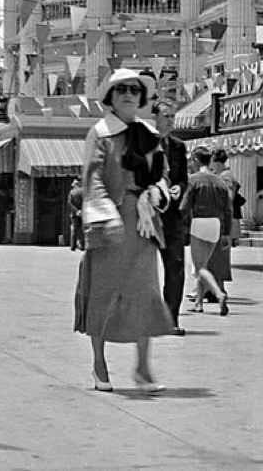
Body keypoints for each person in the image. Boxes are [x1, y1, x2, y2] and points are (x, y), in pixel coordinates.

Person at [74, 69, 173, 394]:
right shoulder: (99, 133)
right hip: (109, 226)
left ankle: (143, 368)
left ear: (141, 97)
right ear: (111, 98)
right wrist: (105, 216)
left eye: (134, 89)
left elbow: (161, 175)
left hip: (142, 224)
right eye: (121, 90)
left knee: (145, 293)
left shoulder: (148, 133)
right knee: (103, 295)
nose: (128, 94)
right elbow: (93, 176)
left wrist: (158, 191)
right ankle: (99, 363)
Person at [180, 147, 231, 316]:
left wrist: (179, 222)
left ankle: (218, 293)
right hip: (216, 224)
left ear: (195, 160)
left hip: (199, 222)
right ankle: (199, 303)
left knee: (199, 266)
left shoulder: (193, 180)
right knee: (205, 264)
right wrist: (227, 232)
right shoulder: (219, 181)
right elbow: (228, 209)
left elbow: (185, 206)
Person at [152, 98, 189, 337]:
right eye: (166, 116)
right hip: (148, 215)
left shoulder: (177, 146)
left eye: (172, 116)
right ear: (154, 117)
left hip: (172, 217)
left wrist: (178, 188)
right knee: (141, 268)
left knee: (175, 267)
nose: (170, 120)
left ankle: (170, 318)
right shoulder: (142, 142)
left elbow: (183, 177)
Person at [209, 149, 237, 299]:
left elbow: (229, 197)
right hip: (219, 218)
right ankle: (214, 287)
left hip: (222, 218)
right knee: (215, 254)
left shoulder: (225, 177)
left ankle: (219, 288)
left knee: (219, 254)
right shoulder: (221, 175)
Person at [68, 179, 84, 251]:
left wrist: (76, 210)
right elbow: (85, 201)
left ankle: (73, 246)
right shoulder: (83, 191)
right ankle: (82, 245)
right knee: (82, 230)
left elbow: (70, 203)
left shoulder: (72, 192)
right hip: (83, 214)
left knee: (74, 229)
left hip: (74, 214)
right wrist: (81, 210)